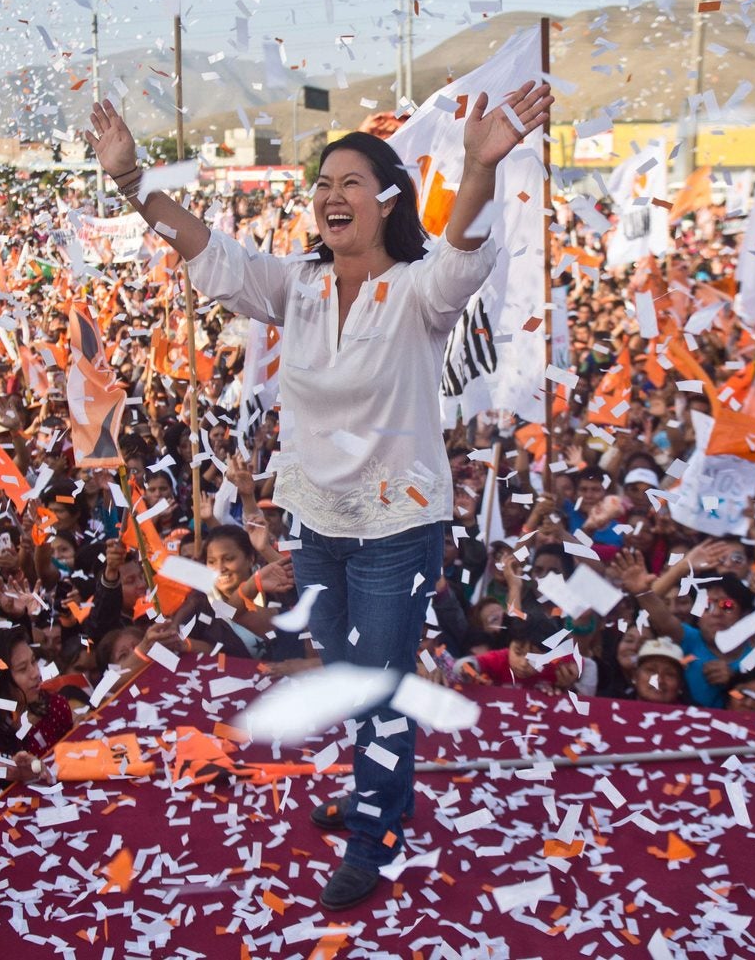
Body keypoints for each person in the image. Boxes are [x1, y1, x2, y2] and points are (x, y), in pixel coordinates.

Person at [83, 78, 552, 910]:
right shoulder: (296, 285)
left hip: (399, 525)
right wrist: (131, 183)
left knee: (378, 683)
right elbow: (209, 251)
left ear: (387, 202)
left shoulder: (417, 290)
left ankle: (375, 833)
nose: (331, 197)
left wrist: (478, 172)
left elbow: (463, 253)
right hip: (318, 521)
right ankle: (388, 795)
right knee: (348, 671)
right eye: (322, 184)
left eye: (350, 184)